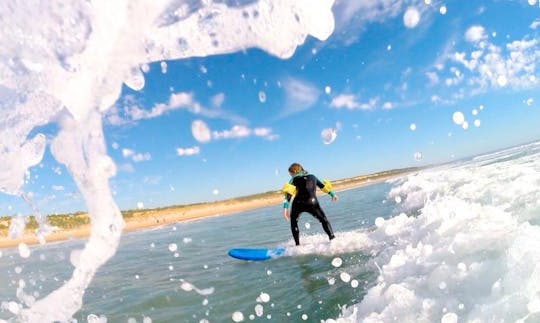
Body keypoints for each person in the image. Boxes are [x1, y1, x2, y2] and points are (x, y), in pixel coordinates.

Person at [282, 163, 338, 246]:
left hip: (298, 203)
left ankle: (297, 246)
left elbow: (288, 195)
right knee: (323, 220)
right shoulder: (313, 176)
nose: (291, 176)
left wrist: (285, 209)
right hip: (312, 202)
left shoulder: (293, 179)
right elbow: (323, 187)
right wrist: (332, 194)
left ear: (294, 171)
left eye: (291, 174)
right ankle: (332, 239)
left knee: (293, 222)